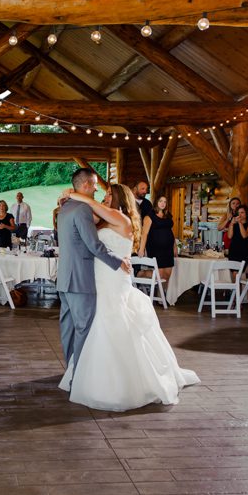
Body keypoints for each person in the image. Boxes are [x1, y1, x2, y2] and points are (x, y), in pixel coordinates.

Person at [57, 181, 199, 412]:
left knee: (110, 323)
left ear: (120, 198)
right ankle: (90, 373)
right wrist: (67, 201)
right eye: (104, 194)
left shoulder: (118, 217)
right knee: (96, 325)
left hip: (112, 278)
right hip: (101, 277)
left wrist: (73, 193)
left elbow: (91, 208)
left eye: (109, 194)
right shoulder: (105, 218)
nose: (104, 197)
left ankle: (118, 382)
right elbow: (84, 221)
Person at [55, 168, 131, 378]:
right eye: (96, 185)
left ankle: (71, 370)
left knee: (68, 330)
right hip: (80, 281)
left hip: (65, 279)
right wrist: (118, 262)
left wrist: (67, 195)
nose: (98, 190)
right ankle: (79, 376)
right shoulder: (82, 209)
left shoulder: (66, 208)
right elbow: (94, 246)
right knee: (83, 329)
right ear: (86, 185)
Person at [139, 195, 176, 283]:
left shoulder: (168, 215)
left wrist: (174, 247)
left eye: (165, 202)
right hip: (156, 249)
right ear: (156, 202)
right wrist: (141, 249)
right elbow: (145, 233)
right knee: (159, 275)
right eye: (160, 201)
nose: (163, 203)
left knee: (167, 275)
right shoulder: (149, 216)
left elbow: (171, 232)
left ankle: (162, 296)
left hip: (168, 250)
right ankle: (141, 273)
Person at [227, 205, 248, 272]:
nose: (239, 215)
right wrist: (231, 224)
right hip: (233, 250)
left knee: (238, 272)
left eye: (242, 212)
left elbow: (244, 235)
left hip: (243, 251)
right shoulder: (234, 224)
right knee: (233, 273)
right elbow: (229, 236)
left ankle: (237, 283)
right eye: (238, 213)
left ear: (247, 213)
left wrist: (240, 222)